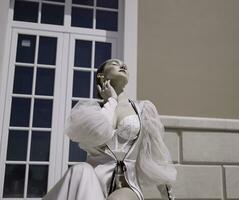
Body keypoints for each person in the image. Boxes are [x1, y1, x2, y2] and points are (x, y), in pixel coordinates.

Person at [43, 59, 177, 200]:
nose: (123, 65)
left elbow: (156, 154)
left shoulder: (144, 109)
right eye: (114, 63)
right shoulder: (90, 111)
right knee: (80, 169)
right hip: (92, 181)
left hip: (127, 186)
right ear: (101, 76)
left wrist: (166, 193)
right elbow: (99, 133)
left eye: (123, 64)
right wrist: (111, 100)